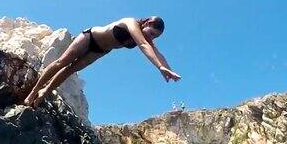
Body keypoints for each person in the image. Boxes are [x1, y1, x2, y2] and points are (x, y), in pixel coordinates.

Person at [23, 16, 181, 107]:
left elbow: (158, 52)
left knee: (71, 70)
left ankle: (44, 94)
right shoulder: (131, 23)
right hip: (89, 37)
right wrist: (159, 67)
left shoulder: (147, 38)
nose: (151, 38)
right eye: (152, 33)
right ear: (146, 23)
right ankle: (33, 92)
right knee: (62, 62)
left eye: (155, 37)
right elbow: (143, 45)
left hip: (100, 50)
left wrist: (168, 69)